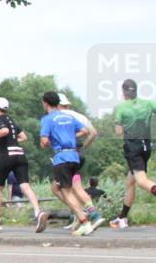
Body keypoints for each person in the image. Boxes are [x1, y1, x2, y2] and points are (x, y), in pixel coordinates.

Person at [0, 97, 49, 233]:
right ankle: (38, 212)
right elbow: (24, 137)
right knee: (25, 185)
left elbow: (4, 131)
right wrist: (11, 140)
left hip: (6, 155)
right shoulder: (11, 120)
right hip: (20, 154)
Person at [40, 91, 100, 236]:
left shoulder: (47, 119)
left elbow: (44, 141)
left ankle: (84, 221)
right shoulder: (68, 117)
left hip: (62, 158)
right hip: (75, 157)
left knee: (66, 192)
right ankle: (86, 213)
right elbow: (84, 131)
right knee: (63, 187)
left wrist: (52, 142)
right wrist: (69, 137)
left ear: (46, 103)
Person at [110, 78, 156, 229]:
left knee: (142, 181)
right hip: (146, 147)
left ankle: (122, 218)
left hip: (133, 148)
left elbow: (119, 132)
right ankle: (122, 217)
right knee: (130, 181)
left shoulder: (121, 108)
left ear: (123, 92)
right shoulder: (148, 104)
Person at [56, 93, 104, 224]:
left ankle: (82, 214)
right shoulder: (80, 116)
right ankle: (91, 214)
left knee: (57, 188)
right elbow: (93, 133)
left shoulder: (58, 117)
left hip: (66, 155)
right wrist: (83, 148)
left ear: (57, 105)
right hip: (78, 155)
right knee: (76, 187)